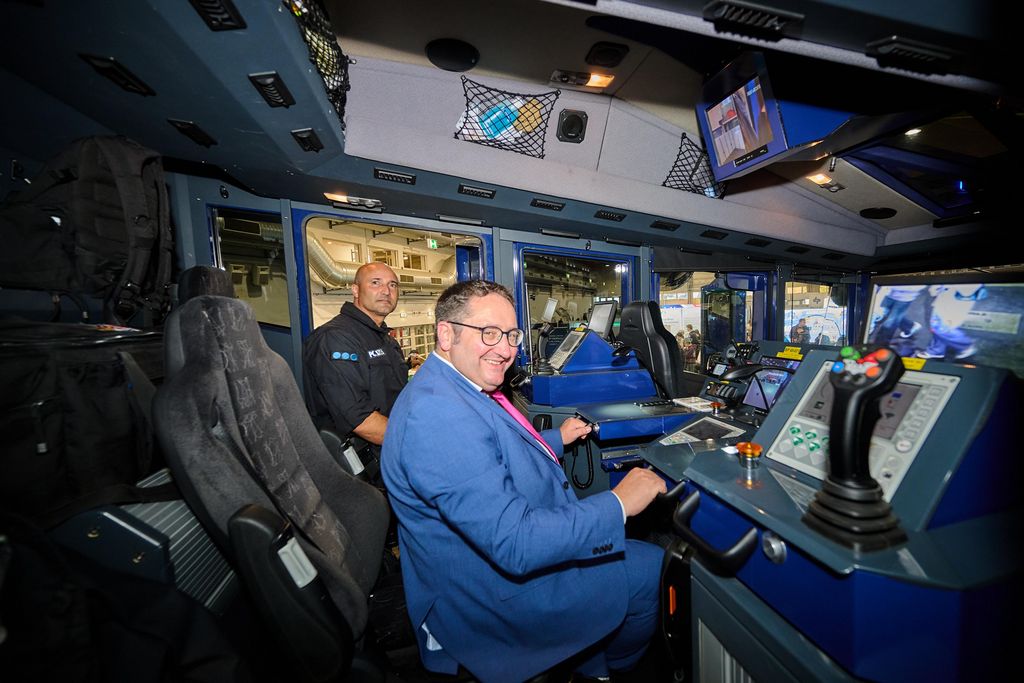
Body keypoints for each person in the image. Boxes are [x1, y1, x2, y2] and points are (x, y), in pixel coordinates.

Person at [382, 280, 667, 683]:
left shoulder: (453, 386)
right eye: (489, 333)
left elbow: (494, 447)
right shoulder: (437, 416)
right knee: (654, 568)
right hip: (490, 598)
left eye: (511, 335)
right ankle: (611, 671)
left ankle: (588, 657)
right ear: (446, 334)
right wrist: (619, 503)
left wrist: (559, 437)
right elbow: (516, 544)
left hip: (483, 566)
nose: (505, 349)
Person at [302, 262, 408, 479]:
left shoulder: (385, 340)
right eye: (375, 283)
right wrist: (417, 440)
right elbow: (360, 420)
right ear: (356, 290)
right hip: (363, 468)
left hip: (392, 450)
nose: (386, 291)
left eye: (393, 285)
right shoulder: (335, 339)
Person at [915, 284, 985, 360]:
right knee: (937, 325)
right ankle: (936, 350)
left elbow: (967, 291)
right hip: (945, 300)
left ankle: (965, 345)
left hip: (955, 303)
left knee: (941, 327)